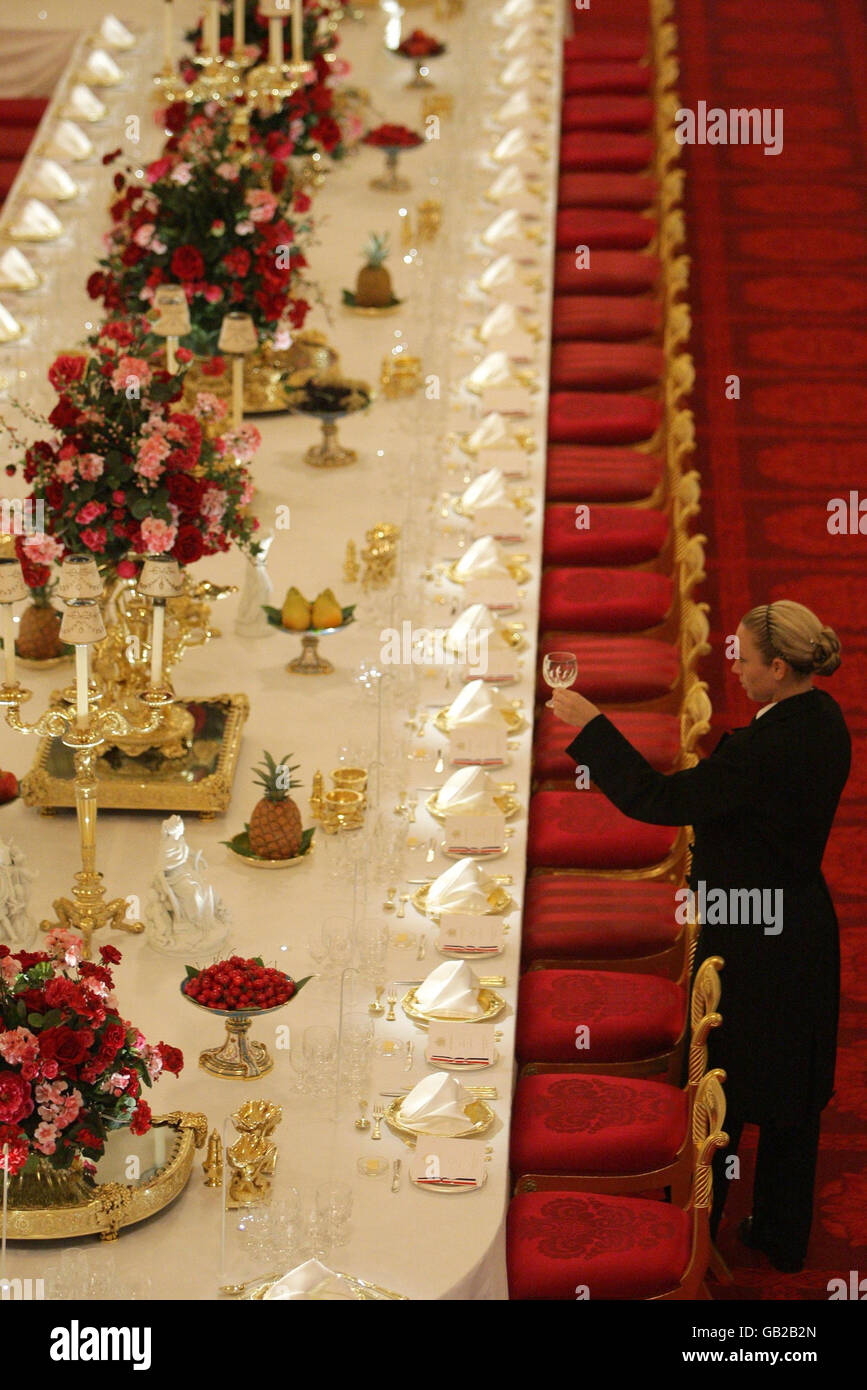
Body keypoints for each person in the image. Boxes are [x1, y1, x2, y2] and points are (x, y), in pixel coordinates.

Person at [547, 600, 851, 1273]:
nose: (732, 667)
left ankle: (695, 1235)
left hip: (750, 936)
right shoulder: (825, 720)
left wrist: (592, 727)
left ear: (777, 668)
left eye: (742, 657)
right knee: (794, 1095)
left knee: (729, 1083)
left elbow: (656, 801)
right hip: (801, 921)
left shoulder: (758, 751)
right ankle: (779, 1231)